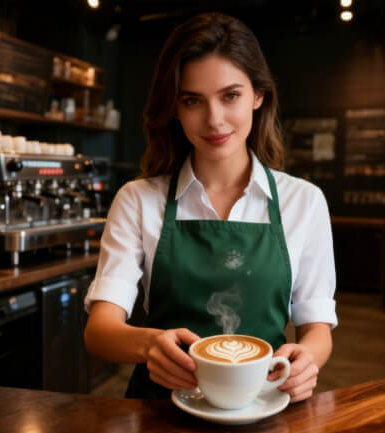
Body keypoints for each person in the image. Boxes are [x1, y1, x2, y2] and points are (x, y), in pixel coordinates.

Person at [84, 12, 336, 402]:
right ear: (175, 108)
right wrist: (149, 345)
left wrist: (307, 361)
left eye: (230, 96)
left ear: (258, 95)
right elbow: (100, 330)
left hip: (262, 404)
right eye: (192, 101)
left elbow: (316, 329)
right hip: (158, 412)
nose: (214, 120)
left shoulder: (303, 201)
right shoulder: (138, 200)